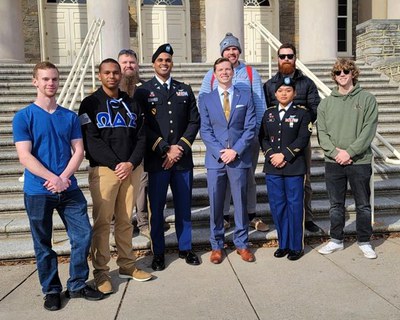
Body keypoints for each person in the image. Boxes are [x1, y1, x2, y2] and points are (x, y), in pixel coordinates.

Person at [12, 61, 103, 311]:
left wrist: (63, 178)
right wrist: (52, 179)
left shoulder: (69, 116)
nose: (50, 83)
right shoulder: (24, 117)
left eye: (54, 79)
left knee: (83, 234)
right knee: (43, 242)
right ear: (35, 82)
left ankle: (76, 284)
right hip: (38, 191)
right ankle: (51, 290)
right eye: (45, 79)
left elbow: (79, 150)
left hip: (69, 189)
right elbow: (25, 156)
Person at [79, 58, 153, 295]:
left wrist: (130, 163)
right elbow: (91, 140)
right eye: (107, 73)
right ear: (100, 75)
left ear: (121, 75)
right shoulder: (89, 104)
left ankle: (127, 266)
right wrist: (116, 164)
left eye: (115, 73)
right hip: (104, 170)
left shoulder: (132, 103)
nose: (112, 76)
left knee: (124, 221)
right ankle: (101, 271)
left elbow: (142, 137)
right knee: (102, 223)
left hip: (131, 170)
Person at [134, 44, 201, 271]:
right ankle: (159, 252)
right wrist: (164, 148)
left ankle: (185, 248)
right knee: (157, 210)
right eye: (160, 60)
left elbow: (194, 121)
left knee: (184, 207)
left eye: (168, 60)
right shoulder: (142, 91)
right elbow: (142, 124)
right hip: (157, 160)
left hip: (181, 160)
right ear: (154, 63)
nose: (165, 63)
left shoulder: (184, 89)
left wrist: (179, 147)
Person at [199, 32, 269, 233]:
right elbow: (204, 101)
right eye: (227, 49)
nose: (231, 52)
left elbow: (258, 103)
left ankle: (251, 215)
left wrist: (253, 135)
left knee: (247, 178)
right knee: (223, 180)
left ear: (239, 51)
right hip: (220, 139)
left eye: (234, 48)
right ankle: (225, 217)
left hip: (246, 138)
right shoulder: (211, 74)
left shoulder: (249, 72)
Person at [317, 58, 378, 259]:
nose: (342, 75)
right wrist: (336, 154)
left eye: (345, 71)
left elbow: (368, 131)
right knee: (335, 205)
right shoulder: (325, 103)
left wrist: (349, 152)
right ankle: (336, 240)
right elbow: (322, 133)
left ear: (353, 73)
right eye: (338, 72)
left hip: (359, 161)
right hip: (333, 162)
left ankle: (364, 241)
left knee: (362, 204)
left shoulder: (367, 99)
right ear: (334, 77)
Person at [199, 57, 256, 264]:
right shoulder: (206, 99)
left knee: (240, 202)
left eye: (227, 69)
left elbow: (250, 128)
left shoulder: (245, 96)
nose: (224, 72)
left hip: (238, 159)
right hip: (215, 160)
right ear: (214, 74)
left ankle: (242, 243)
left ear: (233, 72)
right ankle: (216, 245)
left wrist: (236, 150)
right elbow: (205, 130)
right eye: (220, 69)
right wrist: (220, 151)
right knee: (215, 202)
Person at [263, 43, 322, 233]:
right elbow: (266, 113)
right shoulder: (270, 84)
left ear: (295, 58)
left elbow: (315, 109)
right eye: (282, 56)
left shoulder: (307, 83)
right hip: (276, 143)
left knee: (304, 182)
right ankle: (284, 222)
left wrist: (298, 124)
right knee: (279, 187)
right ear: (277, 59)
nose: (286, 59)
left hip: (299, 141)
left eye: (290, 56)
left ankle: (307, 218)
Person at [259, 77, 312, 261]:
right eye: (280, 90)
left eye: (288, 91)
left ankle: (296, 246)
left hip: (294, 167)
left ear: (294, 94)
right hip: (273, 167)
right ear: (275, 94)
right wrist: (271, 154)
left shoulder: (303, 114)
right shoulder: (269, 114)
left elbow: (303, 138)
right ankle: (284, 243)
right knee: (278, 206)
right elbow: (263, 138)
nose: (284, 93)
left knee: (295, 207)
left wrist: (285, 155)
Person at [118, 48, 150, 239]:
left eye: (132, 62)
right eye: (125, 62)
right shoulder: (112, 87)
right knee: (120, 186)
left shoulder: (145, 88)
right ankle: (119, 224)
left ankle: (143, 222)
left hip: (141, 145)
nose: (129, 66)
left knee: (142, 185)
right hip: (119, 146)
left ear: (137, 65)